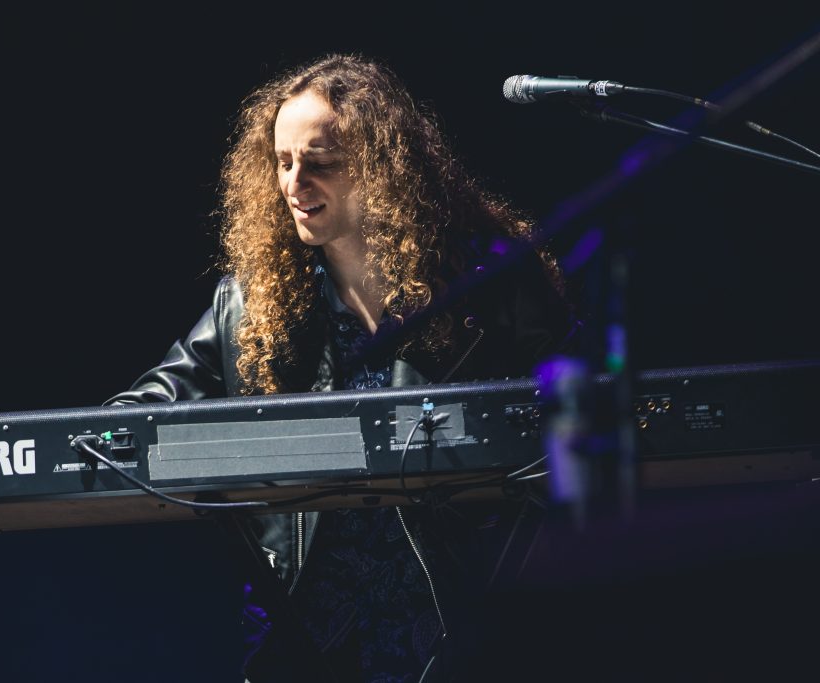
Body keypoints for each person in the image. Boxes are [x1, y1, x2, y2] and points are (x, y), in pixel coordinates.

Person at [106, 54, 578, 682]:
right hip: (310, 642)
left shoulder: (491, 287)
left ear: (385, 170)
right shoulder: (250, 303)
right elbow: (143, 412)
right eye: (282, 162)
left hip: (460, 628)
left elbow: (578, 419)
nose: (294, 181)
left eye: (320, 163)